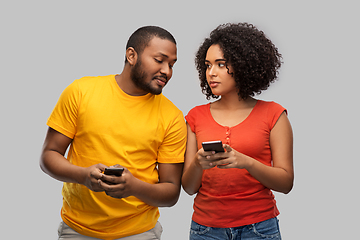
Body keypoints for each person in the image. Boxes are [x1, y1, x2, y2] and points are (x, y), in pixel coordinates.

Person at [40, 26, 187, 240]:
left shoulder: (172, 116)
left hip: (139, 233)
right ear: (131, 55)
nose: (167, 71)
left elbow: (171, 192)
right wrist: (83, 176)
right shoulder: (81, 91)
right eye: (159, 60)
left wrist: (133, 187)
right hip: (77, 230)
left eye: (172, 65)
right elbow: (48, 156)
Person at [182, 23, 294, 240]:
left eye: (220, 64)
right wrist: (197, 163)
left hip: (259, 228)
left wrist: (246, 162)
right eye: (207, 65)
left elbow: (286, 183)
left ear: (244, 64)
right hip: (206, 230)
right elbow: (188, 187)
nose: (211, 73)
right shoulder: (195, 117)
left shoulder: (274, 114)